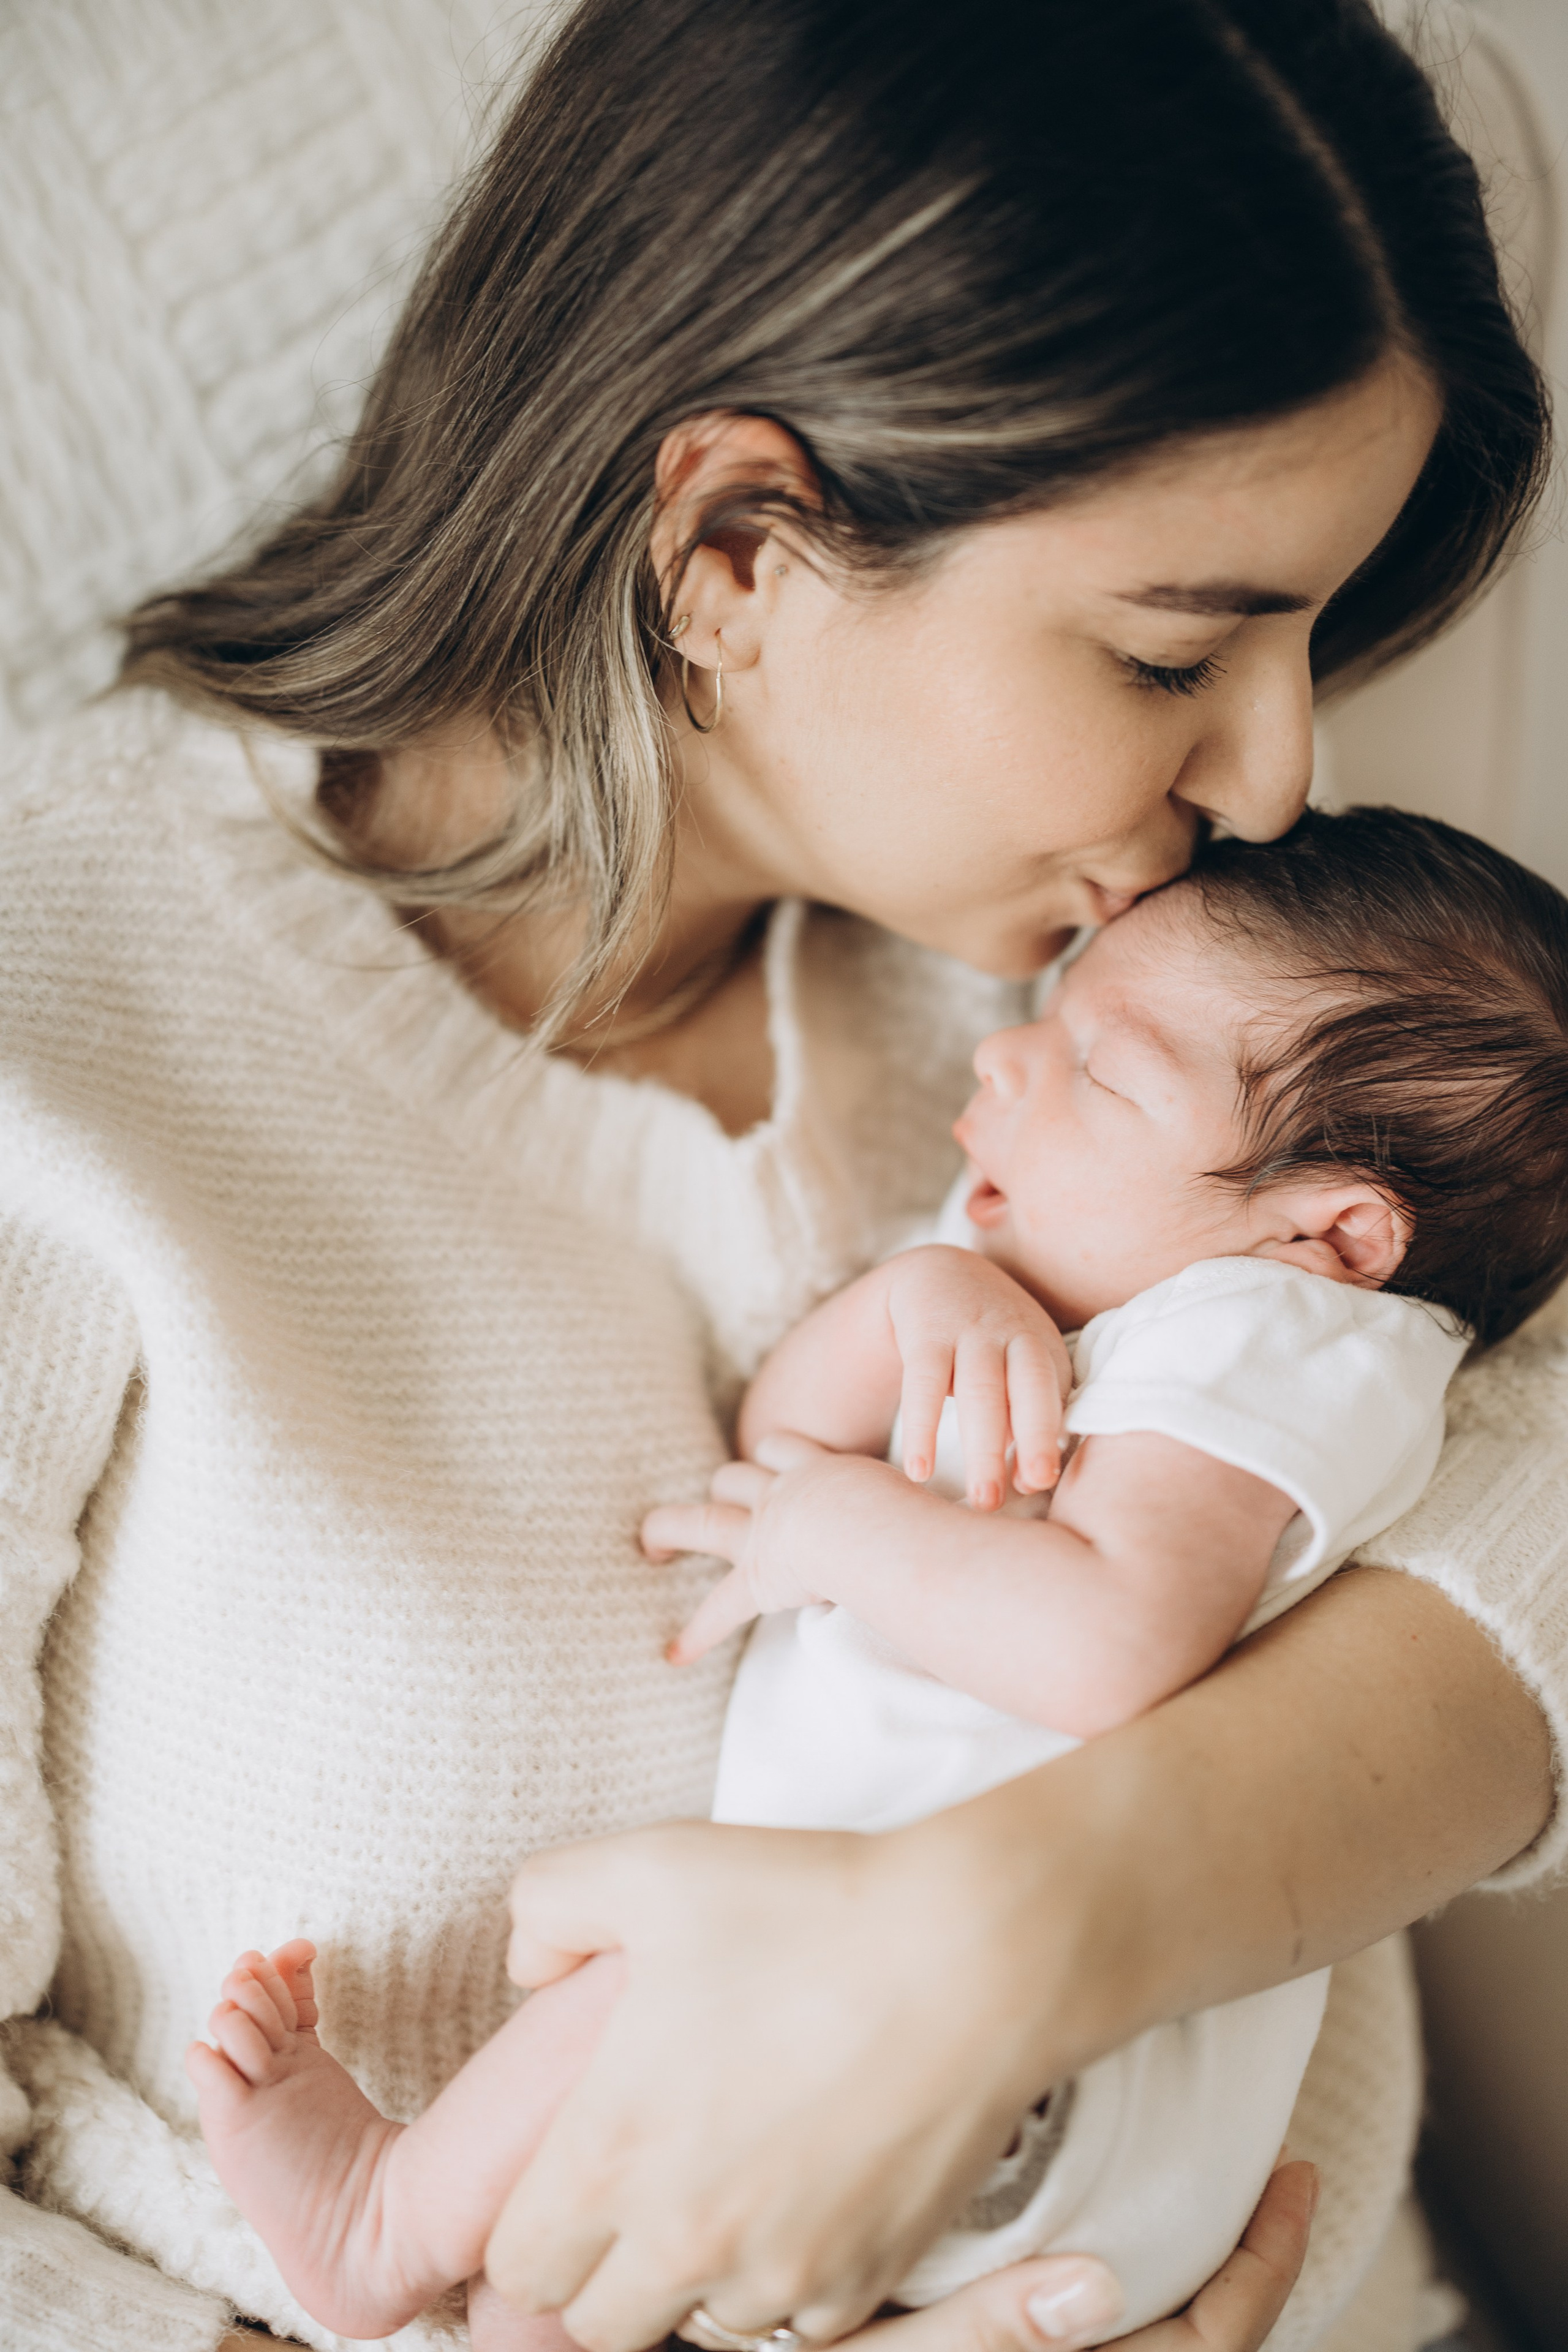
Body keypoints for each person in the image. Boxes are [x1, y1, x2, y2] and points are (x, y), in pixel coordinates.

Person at [0, 4, 1559, 2351]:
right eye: (1173, 655)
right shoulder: (67, 1025)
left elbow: (1527, 1490)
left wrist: (1008, 1937)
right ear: (739, 546)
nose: (1272, 777)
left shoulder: (1174, 1009)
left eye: (1315, 644)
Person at [182, 805, 1568, 2346]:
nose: (1008, 1061)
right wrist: (920, 1299)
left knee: (674, 1992)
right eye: (1050, 1021)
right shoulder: (1118, 1282)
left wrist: (836, 1530)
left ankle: (384, 2226)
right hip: (1000, 2105)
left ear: (1337, 1235)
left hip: (1020, 2081)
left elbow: (1102, 1644)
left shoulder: (1270, 1342)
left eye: (1102, 1069)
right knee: (585, 2248)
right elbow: (782, 1440)